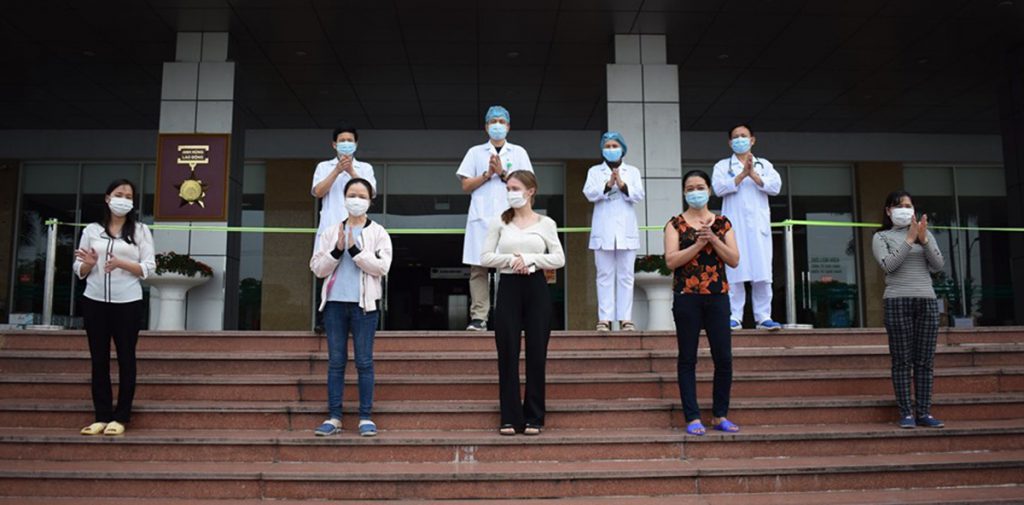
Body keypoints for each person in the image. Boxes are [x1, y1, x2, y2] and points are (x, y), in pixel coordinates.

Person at [480, 171, 564, 436]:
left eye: (515, 188)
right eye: (508, 189)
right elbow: (485, 257)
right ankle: (509, 416)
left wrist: (531, 260)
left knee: (537, 351)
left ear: (530, 191)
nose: (511, 193)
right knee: (508, 351)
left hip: (536, 286)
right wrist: (511, 261)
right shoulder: (499, 222)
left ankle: (534, 416)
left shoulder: (546, 223)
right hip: (509, 286)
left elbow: (559, 258)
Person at [310, 178, 392, 437]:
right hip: (334, 304)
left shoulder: (378, 232)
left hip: (364, 307)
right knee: (336, 362)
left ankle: (365, 417)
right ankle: (334, 417)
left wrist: (356, 250)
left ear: (370, 201)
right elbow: (317, 268)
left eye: (362, 196)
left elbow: (382, 267)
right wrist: (336, 251)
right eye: (352, 195)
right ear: (344, 199)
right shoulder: (331, 231)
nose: (356, 200)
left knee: (364, 361)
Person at [73, 179, 155, 436]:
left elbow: (149, 268)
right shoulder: (92, 230)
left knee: (126, 359)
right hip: (94, 301)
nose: (124, 200)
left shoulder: (140, 231)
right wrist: (88, 264)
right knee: (99, 360)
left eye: (129, 197)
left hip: (127, 303)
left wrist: (121, 263)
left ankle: (121, 417)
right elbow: (79, 268)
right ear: (108, 198)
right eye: (119, 194)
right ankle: (101, 416)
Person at [664, 170, 740, 436]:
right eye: (690, 188)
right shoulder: (675, 224)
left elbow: (734, 259)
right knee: (688, 357)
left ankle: (720, 414)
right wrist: (698, 244)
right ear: (684, 192)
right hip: (687, 296)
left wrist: (713, 239)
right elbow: (671, 261)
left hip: (717, 296)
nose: (695, 192)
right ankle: (693, 416)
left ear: (709, 190)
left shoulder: (722, 223)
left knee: (724, 358)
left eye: (700, 187)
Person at [457, 105, 534, 331]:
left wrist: (502, 173)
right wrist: (487, 174)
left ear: (508, 126)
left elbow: (528, 184)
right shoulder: (475, 152)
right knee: (478, 269)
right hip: (480, 219)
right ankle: (479, 317)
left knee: (509, 268)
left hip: (510, 218)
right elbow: (465, 185)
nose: (497, 126)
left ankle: (507, 315)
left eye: (501, 122)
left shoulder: (518, 152)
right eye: (493, 122)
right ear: (486, 126)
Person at [872, 190, 945, 429]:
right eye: (899, 205)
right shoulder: (881, 237)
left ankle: (924, 412)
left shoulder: (926, 234)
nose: (905, 209)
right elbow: (889, 265)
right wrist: (909, 240)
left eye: (908, 205)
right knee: (902, 360)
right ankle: (906, 413)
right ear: (888, 211)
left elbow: (938, 266)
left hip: (926, 300)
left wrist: (924, 240)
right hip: (897, 300)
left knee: (924, 360)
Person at [711, 124, 783, 331]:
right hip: (734, 227)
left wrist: (754, 175)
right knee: (735, 271)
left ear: (752, 140)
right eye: (735, 137)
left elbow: (775, 187)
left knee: (763, 273)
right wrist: (742, 174)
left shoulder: (764, 165)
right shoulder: (722, 166)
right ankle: (735, 316)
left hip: (759, 228)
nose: (739, 140)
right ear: (729, 142)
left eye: (743, 136)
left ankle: (764, 316)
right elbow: (718, 188)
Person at [311, 123, 377, 332]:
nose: (346, 144)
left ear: (356, 144)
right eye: (342, 141)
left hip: (358, 226)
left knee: (357, 266)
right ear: (334, 144)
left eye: (350, 141)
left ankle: (358, 316)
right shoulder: (324, 166)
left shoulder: (365, 168)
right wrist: (337, 171)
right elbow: (318, 192)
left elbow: (370, 192)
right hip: (331, 227)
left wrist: (351, 171)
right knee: (327, 267)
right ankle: (324, 319)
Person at [583, 131, 644, 332]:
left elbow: (638, 194)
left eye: (614, 146)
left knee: (626, 275)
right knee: (604, 275)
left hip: (626, 230)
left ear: (622, 149)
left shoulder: (632, 171)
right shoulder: (594, 171)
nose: (611, 150)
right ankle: (605, 318)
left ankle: (626, 318)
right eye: (607, 146)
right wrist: (608, 185)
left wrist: (623, 185)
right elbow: (589, 193)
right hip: (603, 230)